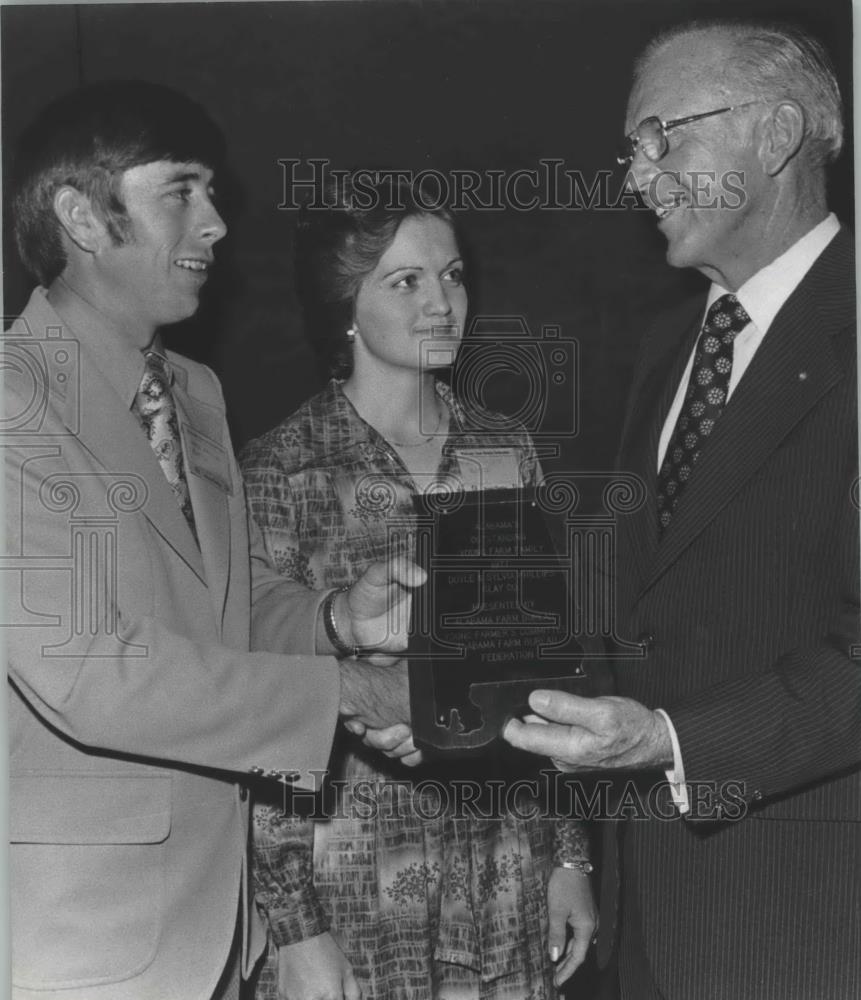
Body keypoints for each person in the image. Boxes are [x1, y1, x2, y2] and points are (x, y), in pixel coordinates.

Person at [4, 81, 422, 1000]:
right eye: (180, 192)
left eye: (212, 193)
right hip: (79, 946)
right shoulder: (9, 405)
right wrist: (345, 689)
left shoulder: (192, 390)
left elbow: (214, 603)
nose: (217, 224)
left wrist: (330, 620)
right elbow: (89, 669)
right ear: (79, 215)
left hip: (219, 932)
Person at [503, 18, 859, 1000]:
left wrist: (674, 741)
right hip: (654, 928)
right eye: (630, 149)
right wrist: (456, 667)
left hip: (812, 928)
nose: (632, 177)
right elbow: (634, 611)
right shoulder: (670, 349)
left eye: (663, 137)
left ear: (778, 134)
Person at [239, 179, 597, 1000]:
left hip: (504, 871)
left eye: (454, 274)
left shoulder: (505, 450)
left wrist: (568, 857)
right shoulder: (278, 469)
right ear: (345, 308)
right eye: (406, 281)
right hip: (354, 884)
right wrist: (294, 929)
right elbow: (255, 710)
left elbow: (548, 674)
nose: (442, 301)